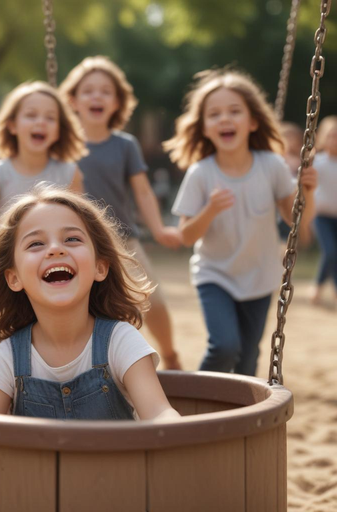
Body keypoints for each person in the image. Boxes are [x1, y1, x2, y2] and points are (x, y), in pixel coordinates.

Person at [0, 185, 180, 421]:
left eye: (72, 239)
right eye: (36, 244)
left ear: (100, 267)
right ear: (14, 277)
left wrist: (171, 425)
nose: (56, 249)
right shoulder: (8, 357)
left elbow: (159, 412)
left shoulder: (120, 341)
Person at [163, 69, 317, 376]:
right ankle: (196, 401)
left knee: (248, 358)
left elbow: (294, 221)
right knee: (224, 347)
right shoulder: (201, 173)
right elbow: (187, 235)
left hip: (260, 277)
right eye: (214, 114)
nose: (224, 119)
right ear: (204, 127)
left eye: (234, 111)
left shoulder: (271, 165)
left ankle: (236, 420)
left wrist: (307, 194)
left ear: (253, 121)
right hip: (215, 275)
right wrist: (209, 210)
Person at [59, 56, 182, 370]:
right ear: (72, 100)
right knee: (89, 310)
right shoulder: (61, 146)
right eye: (88, 91)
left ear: (117, 102)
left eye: (105, 91)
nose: (96, 96)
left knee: (152, 299)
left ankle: (169, 353)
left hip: (122, 239)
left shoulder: (125, 145)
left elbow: (142, 190)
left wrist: (158, 229)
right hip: (75, 243)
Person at [0, 81, 86, 246]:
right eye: (31, 115)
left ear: (58, 131)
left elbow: (79, 220)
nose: (40, 122)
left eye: (50, 118)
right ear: (12, 125)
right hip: (10, 257)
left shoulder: (69, 173)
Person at [310, 116, 337, 306]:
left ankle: (319, 288)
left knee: (334, 254)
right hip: (321, 216)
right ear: (323, 138)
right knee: (331, 252)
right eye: (331, 136)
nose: (334, 141)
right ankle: (326, 288)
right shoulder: (316, 162)